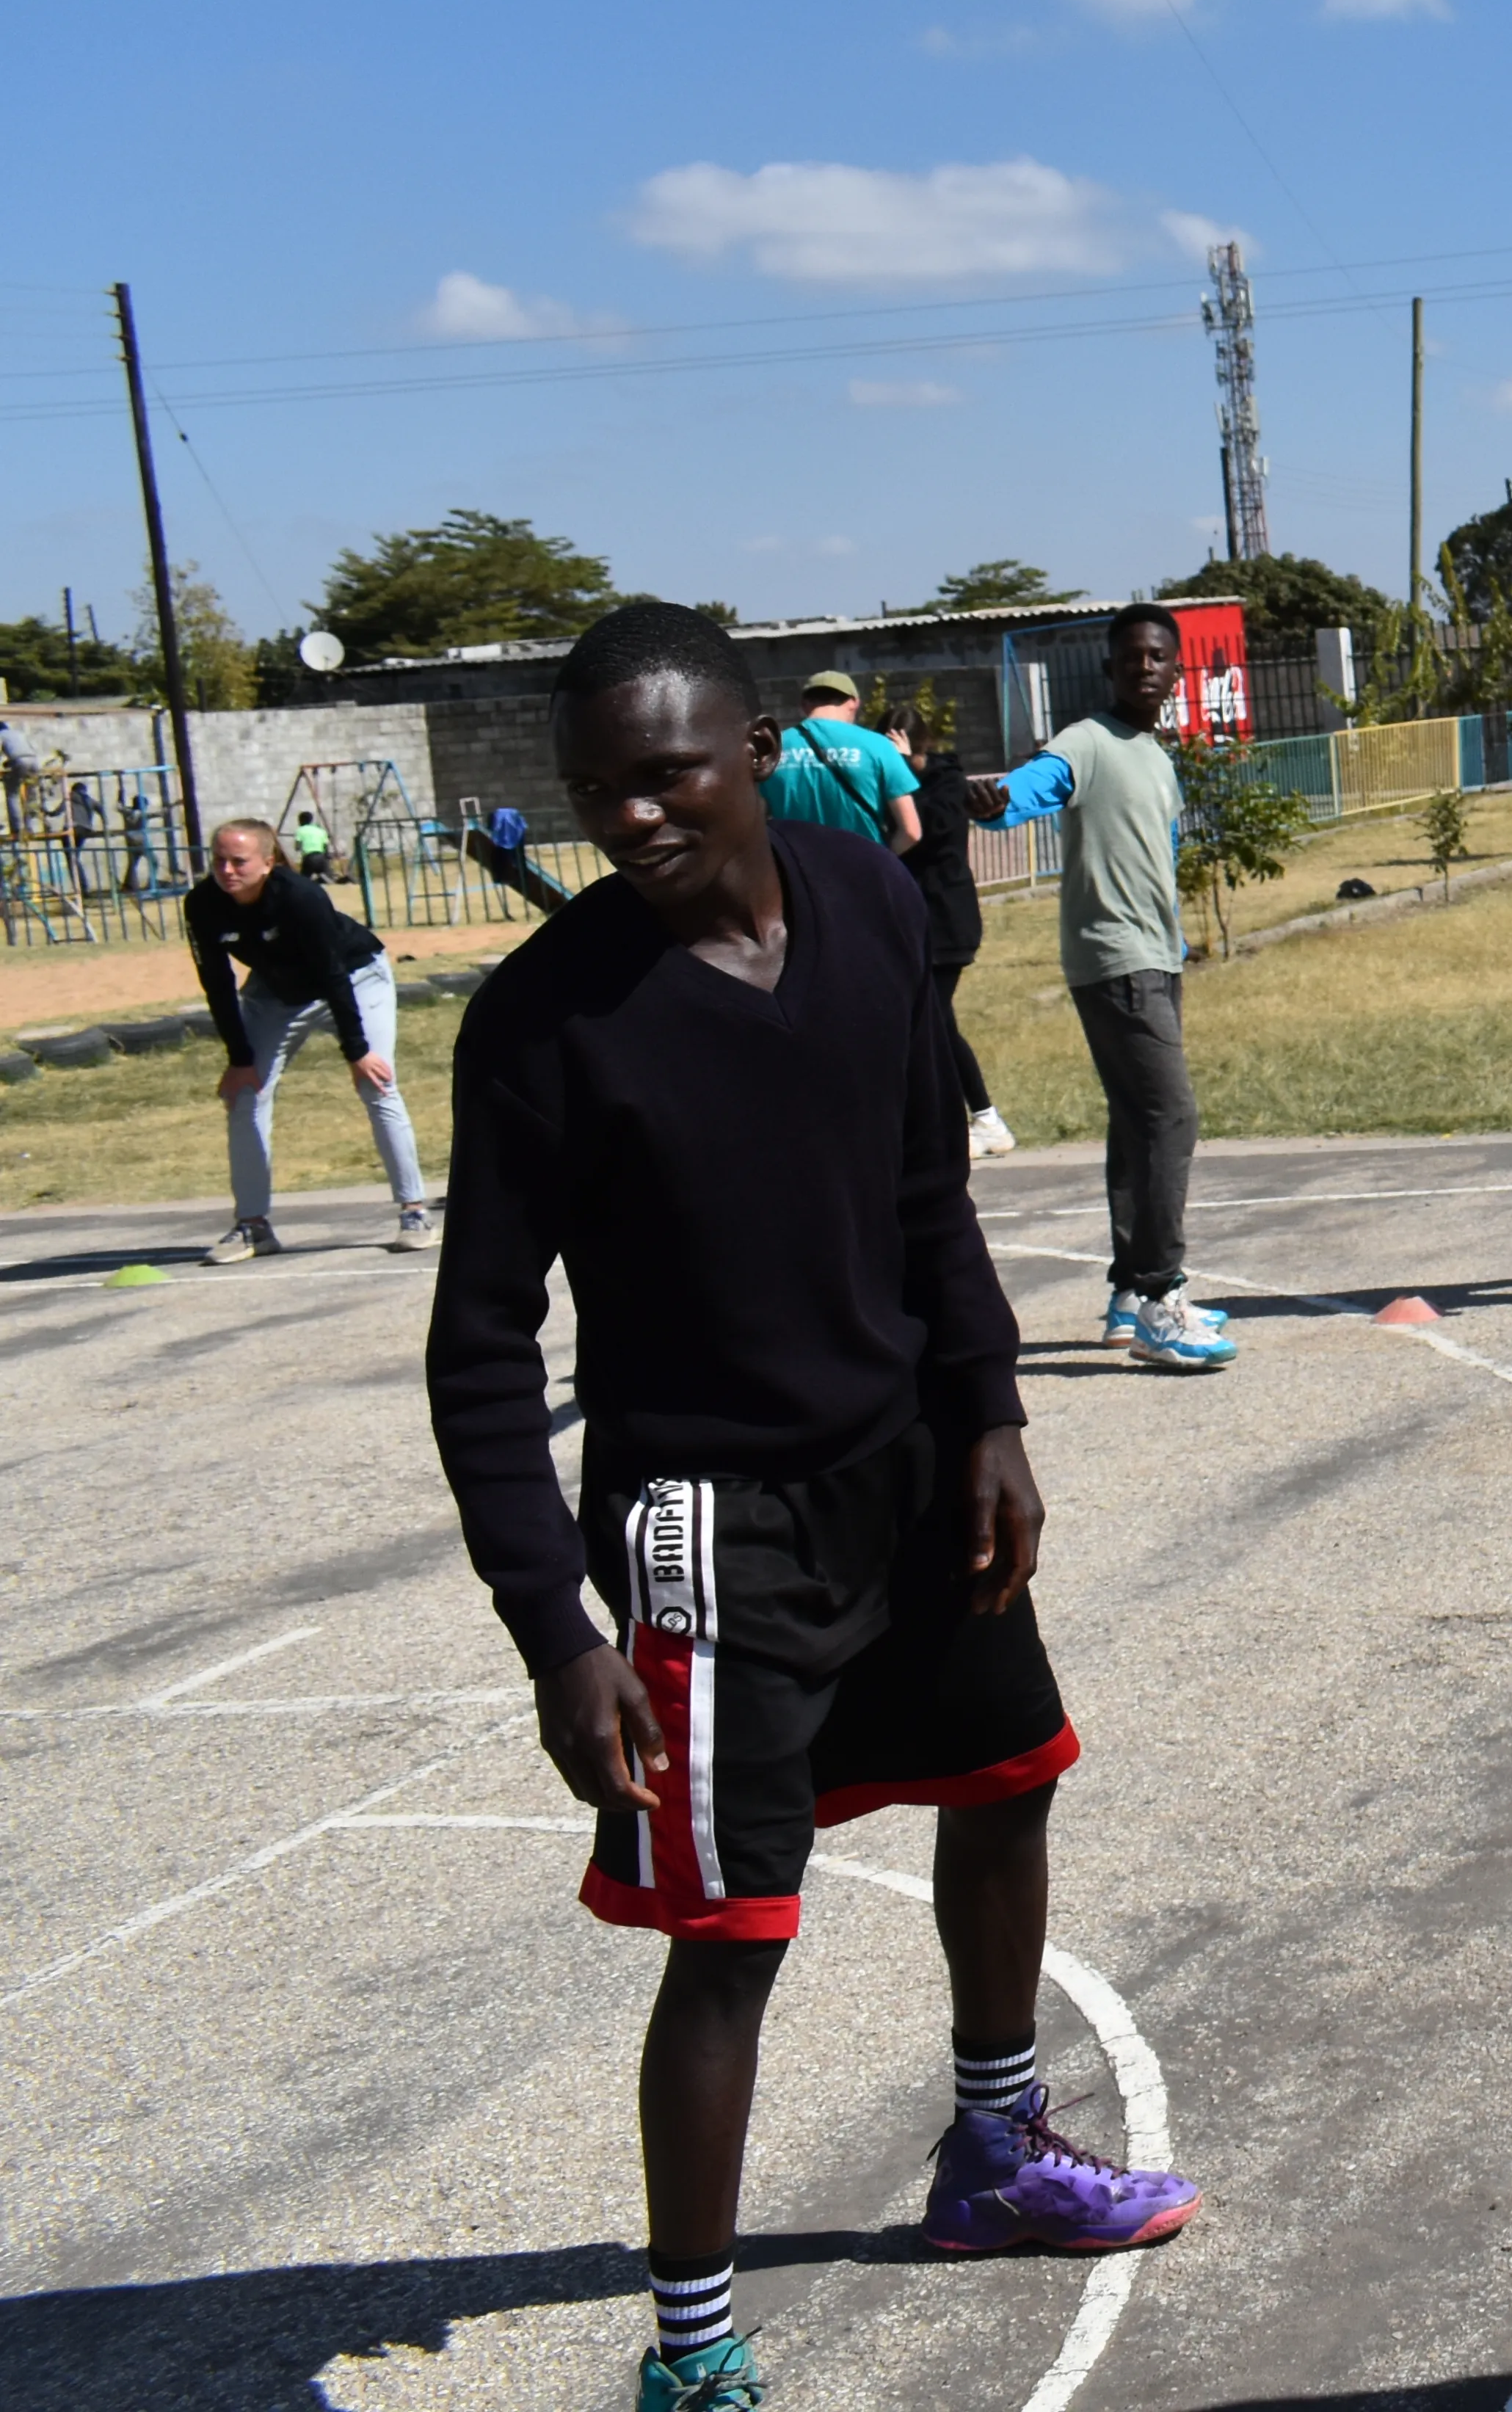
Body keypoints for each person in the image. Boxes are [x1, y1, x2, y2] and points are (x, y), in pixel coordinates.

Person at [424, 603, 1196, 2412]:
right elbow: (478, 1357)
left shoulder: (858, 900)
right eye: (598, 788)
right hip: (712, 1523)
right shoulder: (546, 1025)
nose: (631, 817)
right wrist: (558, 1630)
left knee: (1012, 1781)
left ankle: (996, 2153)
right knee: (730, 1936)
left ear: (755, 748)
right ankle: (692, 2348)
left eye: (668, 774)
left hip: (912, 1473)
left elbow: (928, 1181)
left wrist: (991, 1407)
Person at [978, 608, 1233, 1369]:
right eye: (1131, 658)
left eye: (1157, 657)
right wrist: (998, 800)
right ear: (1110, 668)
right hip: (1114, 958)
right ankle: (1161, 1298)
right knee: (1170, 1116)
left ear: (1175, 671)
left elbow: (1154, 850)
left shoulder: (1156, 753)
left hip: (1157, 955)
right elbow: (1032, 788)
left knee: (1136, 1121)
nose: (1145, 668)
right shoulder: (1086, 741)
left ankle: (1128, 1292)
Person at [186, 815, 432, 1259]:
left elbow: (332, 973)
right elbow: (217, 984)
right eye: (219, 861)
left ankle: (414, 1210)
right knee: (246, 1094)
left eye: (238, 862)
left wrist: (357, 1052)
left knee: (376, 1082)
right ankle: (252, 1226)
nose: (227, 871)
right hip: (276, 991)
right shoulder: (202, 904)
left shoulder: (300, 897)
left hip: (355, 976)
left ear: (267, 863)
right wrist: (240, 1058)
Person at [887, 696, 1014, 1160]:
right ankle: (973, 1120)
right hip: (911, 922)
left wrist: (902, 774)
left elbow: (926, 832)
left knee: (935, 1023)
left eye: (906, 756)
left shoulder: (946, 784)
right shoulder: (898, 785)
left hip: (947, 922)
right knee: (933, 1022)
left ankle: (983, 1120)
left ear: (921, 750)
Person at [762, 669, 920, 854]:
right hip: (862, 868)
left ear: (805, 705)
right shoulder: (879, 746)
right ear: (854, 702)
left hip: (797, 871)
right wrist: (882, 861)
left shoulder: (773, 750)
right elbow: (911, 832)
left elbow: (755, 822)